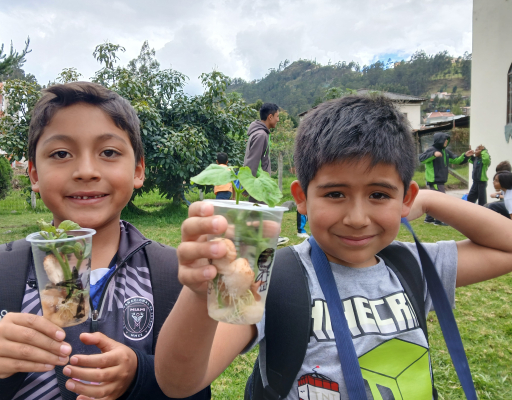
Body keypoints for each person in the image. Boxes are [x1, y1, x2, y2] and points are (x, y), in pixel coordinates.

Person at [154, 95, 512, 400]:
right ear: (301, 198)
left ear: (406, 199)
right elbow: (179, 383)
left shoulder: (414, 265)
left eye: (379, 194)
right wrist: (200, 294)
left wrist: (432, 200)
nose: (357, 218)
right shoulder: (273, 278)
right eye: (335, 193)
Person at [0, 82, 209, 400]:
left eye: (109, 152)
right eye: (61, 154)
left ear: (138, 170)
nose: (86, 171)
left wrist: (141, 376)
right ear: (34, 174)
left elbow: (193, 390)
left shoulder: (170, 275)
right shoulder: (1, 274)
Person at [243, 103, 288, 245]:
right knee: (263, 210)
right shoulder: (261, 135)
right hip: (258, 182)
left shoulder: (261, 133)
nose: (278, 119)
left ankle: (254, 238)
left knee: (257, 212)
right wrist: (247, 185)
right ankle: (268, 237)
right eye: (277, 116)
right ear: (270, 117)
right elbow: (252, 161)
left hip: (259, 181)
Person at [419, 132, 473, 225]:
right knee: (441, 201)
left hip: (440, 180)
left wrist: (465, 156)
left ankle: (429, 219)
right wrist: (434, 154)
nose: (446, 142)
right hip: (434, 180)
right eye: (445, 140)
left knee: (434, 200)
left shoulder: (446, 152)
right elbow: (422, 159)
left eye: (447, 140)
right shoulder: (431, 150)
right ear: (439, 140)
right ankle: (438, 220)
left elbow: (456, 160)